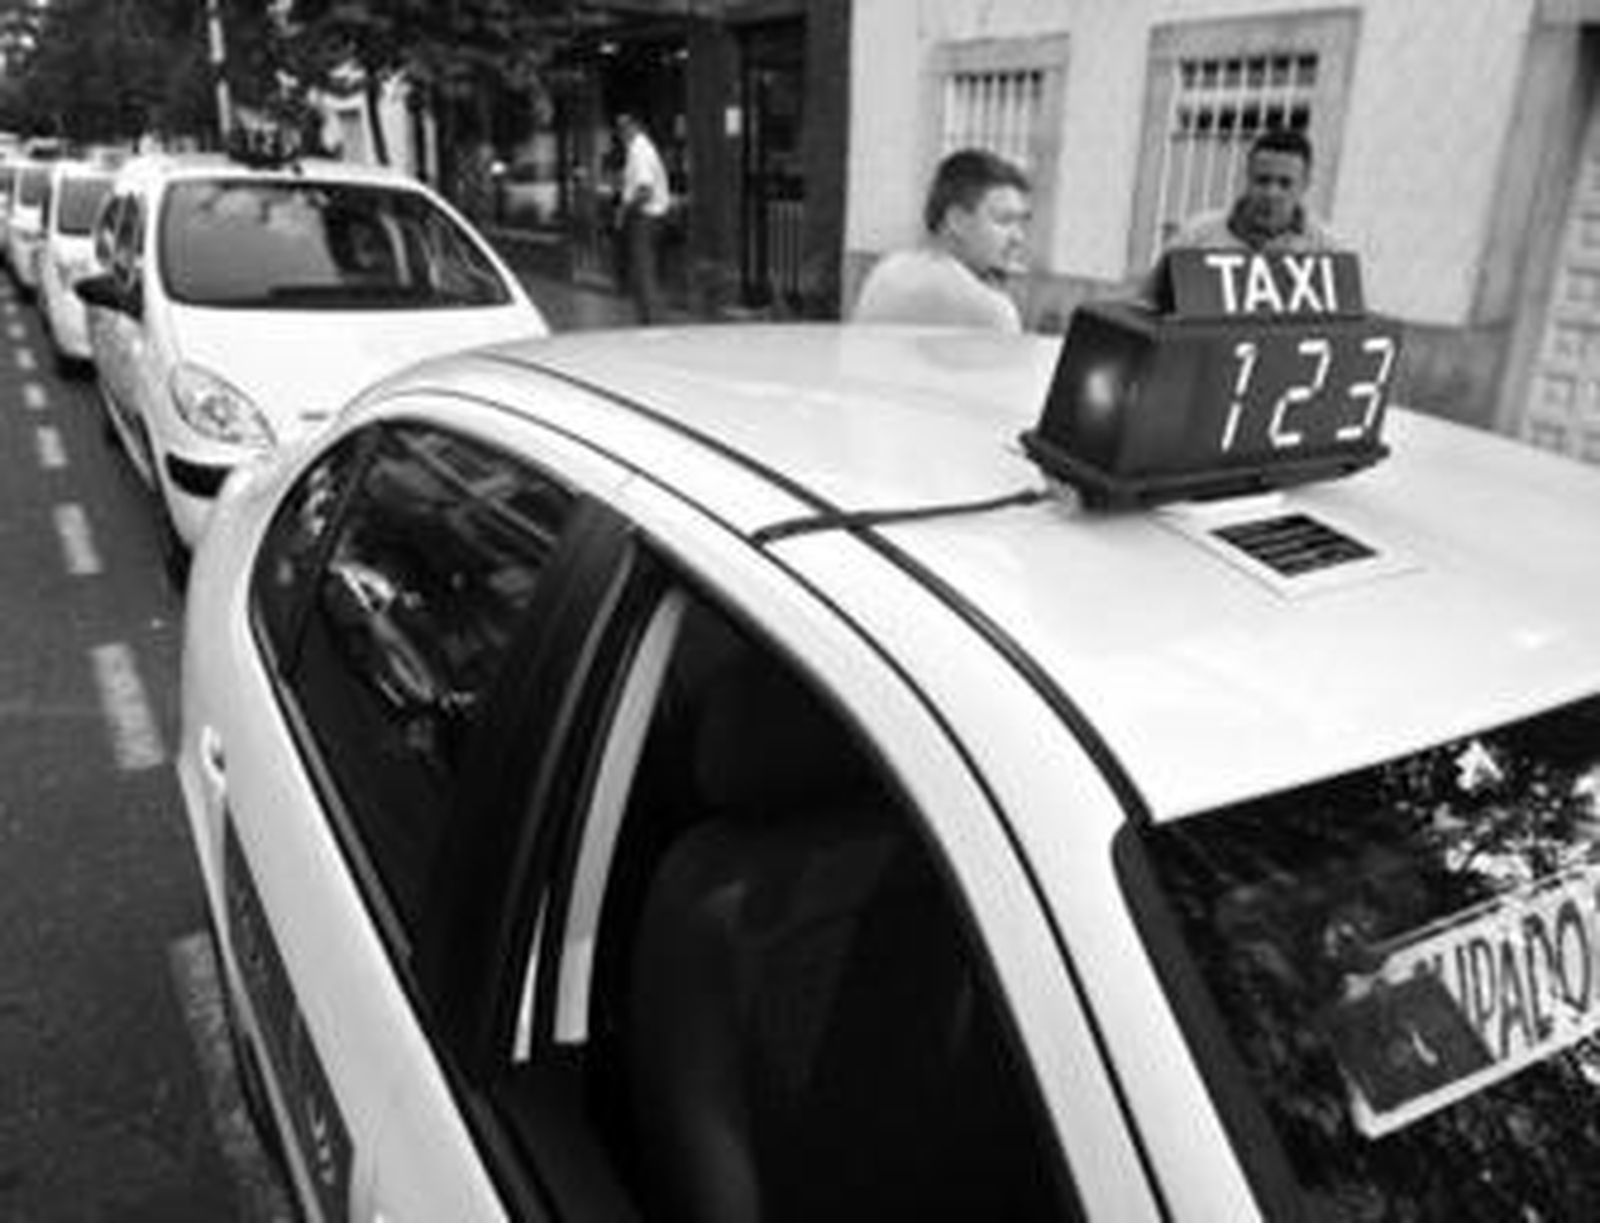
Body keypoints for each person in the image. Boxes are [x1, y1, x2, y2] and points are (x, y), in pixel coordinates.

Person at [1137, 127, 1339, 307]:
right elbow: (1148, 305)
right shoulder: (1195, 237)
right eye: (1262, 180)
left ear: (1305, 185)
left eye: (1285, 184)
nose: (1271, 193)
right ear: (1247, 177)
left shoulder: (1326, 249)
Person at [852, 148, 1031, 332]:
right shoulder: (991, 309)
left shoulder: (886, 272)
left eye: (1021, 223)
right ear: (957, 221)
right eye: (1004, 220)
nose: (1018, 237)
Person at [614, 112, 671, 324]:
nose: (620, 134)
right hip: (647, 217)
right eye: (619, 128)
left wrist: (624, 211)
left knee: (644, 273)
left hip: (644, 218)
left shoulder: (640, 150)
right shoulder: (638, 149)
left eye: (623, 128)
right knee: (642, 273)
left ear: (634, 127)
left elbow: (645, 190)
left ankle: (651, 322)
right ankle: (647, 320)